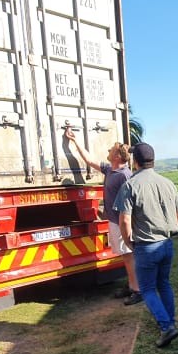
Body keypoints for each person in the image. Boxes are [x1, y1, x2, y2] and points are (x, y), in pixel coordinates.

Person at [113, 142, 178, 347]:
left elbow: (124, 220)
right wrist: (170, 228)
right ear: (153, 160)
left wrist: (129, 242)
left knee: (147, 289)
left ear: (135, 161)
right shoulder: (167, 182)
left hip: (146, 245)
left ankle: (166, 327)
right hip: (166, 244)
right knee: (164, 284)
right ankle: (169, 322)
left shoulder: (130, 185)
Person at [63, 126, 141, 304]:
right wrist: (75, 140)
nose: (108, 151)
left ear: (117, 156)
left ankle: (137, 289)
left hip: (122, 221)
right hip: (114, 220)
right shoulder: (109, 170)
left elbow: (132, 201)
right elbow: (89, 160)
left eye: (111, 150)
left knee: (128, 255)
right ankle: (132, 285)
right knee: (125, 255)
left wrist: (127, 223)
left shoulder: (124, 175)